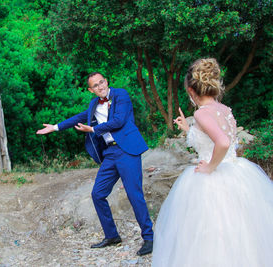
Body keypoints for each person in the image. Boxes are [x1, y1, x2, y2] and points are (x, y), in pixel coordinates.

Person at [152, 58, 273, 266]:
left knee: (211, 232)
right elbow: (214, 139)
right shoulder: (224, 109)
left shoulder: (201, 113)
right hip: (237, 172)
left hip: (213, 178)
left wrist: (210, 166)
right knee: (243, 230)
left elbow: (223, 142)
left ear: (191, 90)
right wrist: (188, 130)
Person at [36, 72, 154, 256]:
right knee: (97, 194)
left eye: (102, 82)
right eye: (96, 85)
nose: (100, 87)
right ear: (91, 90)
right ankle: (112, 235)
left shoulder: (121, 95)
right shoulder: (93, 104)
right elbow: (79, 117)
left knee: (134, 194)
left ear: (106, 81)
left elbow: (119, 121)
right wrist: (56, 127)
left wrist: (93, 129)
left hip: (127, 150)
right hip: (110, 153)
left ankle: (149, 238)